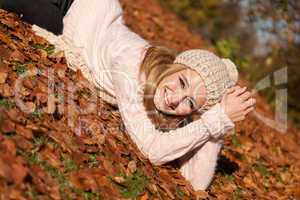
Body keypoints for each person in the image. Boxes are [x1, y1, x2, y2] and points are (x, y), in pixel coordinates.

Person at [1, 0, 256, 190]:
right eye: (181, 81)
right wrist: (217, 118)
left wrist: (217, 125)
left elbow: (195, 183)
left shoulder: (165, 101)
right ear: (175, 65)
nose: (176, 98)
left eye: (190, 102)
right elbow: (152, 149)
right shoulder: (134, 68)